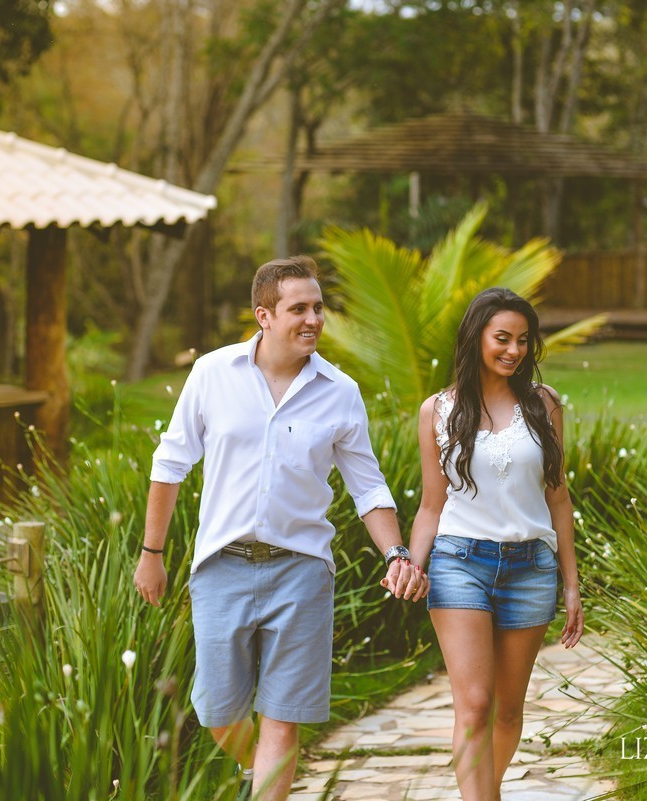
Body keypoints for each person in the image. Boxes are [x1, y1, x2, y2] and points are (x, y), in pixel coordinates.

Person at [133, 255, 429, 801]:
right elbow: (168, 466)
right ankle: (264, 774)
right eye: (299, 308)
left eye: (318, 307)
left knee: (282, 717)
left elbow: (369, 487)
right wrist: (152, 553)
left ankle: (270, 783)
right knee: (218, 711)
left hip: (301, 571)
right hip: (222, 567)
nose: (313, 318)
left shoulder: (340, 392)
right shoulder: (212, 375)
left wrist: (397, 555)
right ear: (263, 315)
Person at [406, 287, 583, 801]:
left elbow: (559, 500)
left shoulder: (544, 406)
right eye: (501, 338)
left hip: (531, 567)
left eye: (523, 341)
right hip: (460, 563)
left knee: (508, 710)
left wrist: (570, 585)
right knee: (476, 704)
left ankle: (486, 791)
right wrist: (413, 563)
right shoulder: (437, 411)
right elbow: (431, 507)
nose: (514, 351)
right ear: (475, 337)